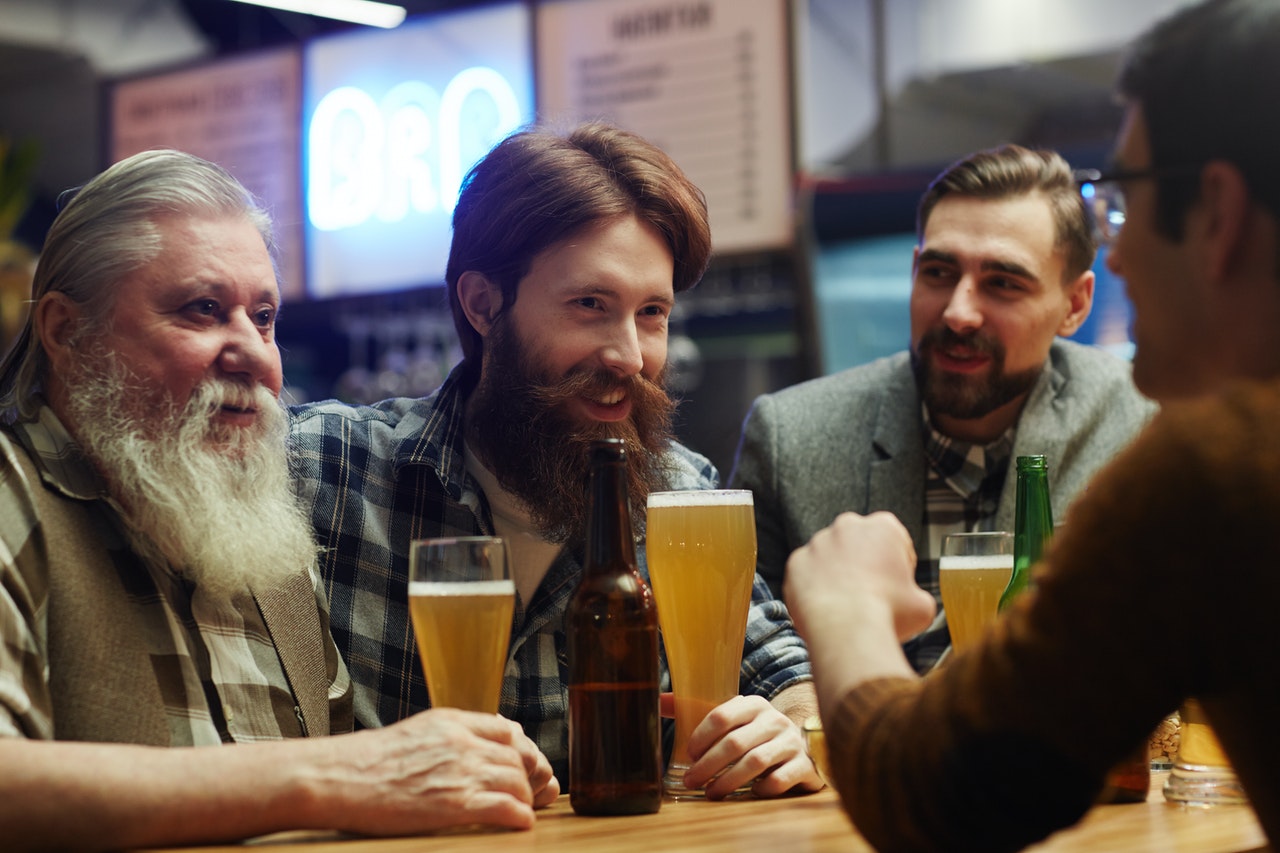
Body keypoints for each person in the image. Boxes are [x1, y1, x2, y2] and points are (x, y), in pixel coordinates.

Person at [784, 0, 1280, 849]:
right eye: (937, 271)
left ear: (1218, 212)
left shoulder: (1219, 465)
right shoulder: (795, 431)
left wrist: (848, 604)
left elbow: (941, 792)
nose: (1115, 252)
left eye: (1122, 200)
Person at [0, 150, 557, 852]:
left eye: (263, 317)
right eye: (203, 309)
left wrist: (457, 772)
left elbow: (350, 793)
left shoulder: (261, 536)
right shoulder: (13, 496)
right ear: (64, 333)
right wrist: (323, 775)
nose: (254, 355)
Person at [289, 121, 822, 799]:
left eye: (652, 311)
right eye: (590, 304)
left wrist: (789, 730)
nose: (629, 355)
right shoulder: (331, 469)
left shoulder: (680, 494)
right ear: (483, 304)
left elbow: (786, 676)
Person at [731, 143, 1155, 673]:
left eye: (1002, 283)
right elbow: (747, 654)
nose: (958, 312)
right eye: (938, 273)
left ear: (1075, 304)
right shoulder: (789, 436)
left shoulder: (1143, 424)